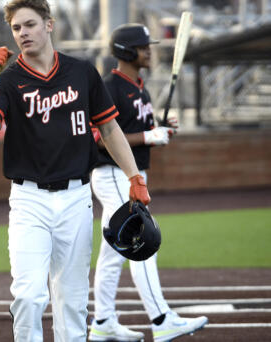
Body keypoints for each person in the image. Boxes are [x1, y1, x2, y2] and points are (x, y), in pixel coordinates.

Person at [0, 1, 151, 341]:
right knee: (29, 296)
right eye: (16, 28)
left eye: (29, 24)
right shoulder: (9, 79)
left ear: (49, 25)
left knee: (72, 302)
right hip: (29, 200)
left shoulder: (81, 72)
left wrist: (134, 176)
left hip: (76, 198)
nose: (23, 33)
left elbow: (110, 129)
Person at [88, 24, 208, 342]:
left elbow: (134, 128)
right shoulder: (110, 87)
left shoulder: (140, 87)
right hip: (113, 174)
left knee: (113, 254)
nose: (149, 51)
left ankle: (102, 321)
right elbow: (100, 138)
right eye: (144, 47)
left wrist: (158, 128)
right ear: (127, 51)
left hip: (130, 174)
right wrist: (147, 136)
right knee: (143, 243)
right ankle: (161, 319)